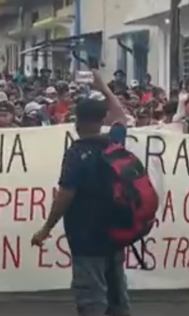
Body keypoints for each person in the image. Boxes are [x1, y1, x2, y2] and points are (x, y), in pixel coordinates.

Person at [31, 68, 130, 316]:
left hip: (87, 236)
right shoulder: (116, 142)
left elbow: (65, 196)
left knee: (91, 294)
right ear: (102, 120)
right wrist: (103, 86)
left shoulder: (77, 153)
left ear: (77, 122)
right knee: (117, 290)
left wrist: (46, 228)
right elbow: (121, 116)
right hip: (116, 231)